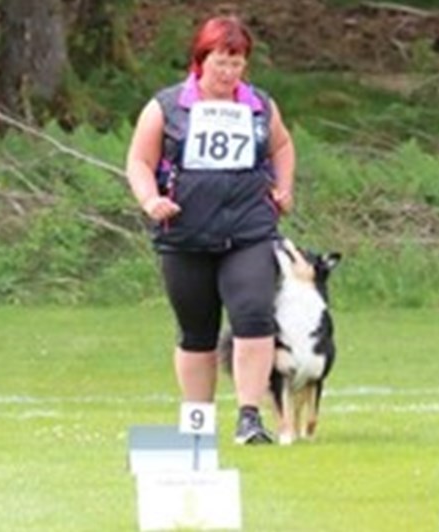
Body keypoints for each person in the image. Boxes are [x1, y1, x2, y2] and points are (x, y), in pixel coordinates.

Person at [124, 15, 296, 445]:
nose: (228, 73)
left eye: (237, 64)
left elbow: (282, 145)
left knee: (254, 315)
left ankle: (249, 416)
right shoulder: (166, 107)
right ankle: (197, 422)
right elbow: (139, 161)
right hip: (185, 233)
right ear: (201, 60)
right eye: (221, 62)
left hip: (250, 230)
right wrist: (150, 200)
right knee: (196, 331)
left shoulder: (260, 105)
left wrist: (284, 187)